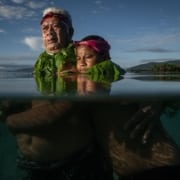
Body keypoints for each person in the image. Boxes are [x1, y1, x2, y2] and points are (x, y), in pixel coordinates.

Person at [1, 7, 168, 180]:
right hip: (34, 167)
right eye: (45, 28)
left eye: (56, 26)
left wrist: (156, 99)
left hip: (78, 163)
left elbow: (112, 70)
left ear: (70, 31)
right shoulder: (41, 66)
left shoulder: (82, 58)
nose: (49, 33)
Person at [74, 35, 180, 179]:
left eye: (88, 57)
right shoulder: (82, 92)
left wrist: (158, 100)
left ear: (105, 56)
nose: (82, 63)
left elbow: (156, 95)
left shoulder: (120, 84)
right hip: (127, 173)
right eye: (78, 58)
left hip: (163, 166)